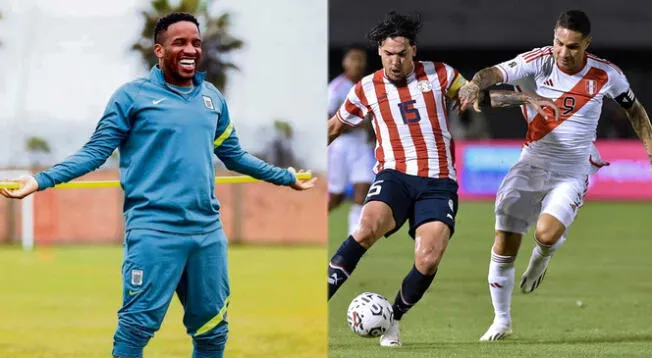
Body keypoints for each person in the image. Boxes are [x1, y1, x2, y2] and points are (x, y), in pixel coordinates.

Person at [0, 12, 316, 358]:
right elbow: (94, 153)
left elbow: (235, 156)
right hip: (153, 231)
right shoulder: (131, 98)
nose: (190, 50)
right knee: (135, 329)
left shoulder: (212, 99)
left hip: (206, 233)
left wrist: (285, 177)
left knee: (213, 332)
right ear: (159, 51)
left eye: (196, 42)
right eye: (179, 42)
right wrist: (40, 180)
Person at [326, 11, 559, 347]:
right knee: (365, 228)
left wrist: (524, 97)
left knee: (429, 257)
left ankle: (393, 319)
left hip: (438, 182)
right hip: (394, 175)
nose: (395, 62)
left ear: (413, 50)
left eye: (402, 54)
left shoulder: (440, 75)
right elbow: (334, 127)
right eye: (389, 54)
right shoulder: (366, 89)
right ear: (380, 51)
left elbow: (478, 97)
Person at [458, 9, 652, 341]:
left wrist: (649, 145)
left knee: (546, 235)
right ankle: (501, 319)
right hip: (531, 162)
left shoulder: (607, 75)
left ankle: (543, 257)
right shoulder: (539, 61)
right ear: (554, 37)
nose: (564, 52)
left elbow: (633, 109)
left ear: (587, 44)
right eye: (559, 43)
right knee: (504, 239)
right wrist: (476, 83)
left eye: (573, 46)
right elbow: (495, 74)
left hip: (572, 169)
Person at [328, 45, 375, 235]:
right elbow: (329, 118)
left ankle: (353, 237)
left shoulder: (370, 86)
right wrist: (356, 123)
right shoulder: (336, 88)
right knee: (337, 196)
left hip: (362, 145)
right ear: (344, 62)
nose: (357, 63)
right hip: (341, 145)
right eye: (353, 59)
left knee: (363, 189)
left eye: (360, 59)